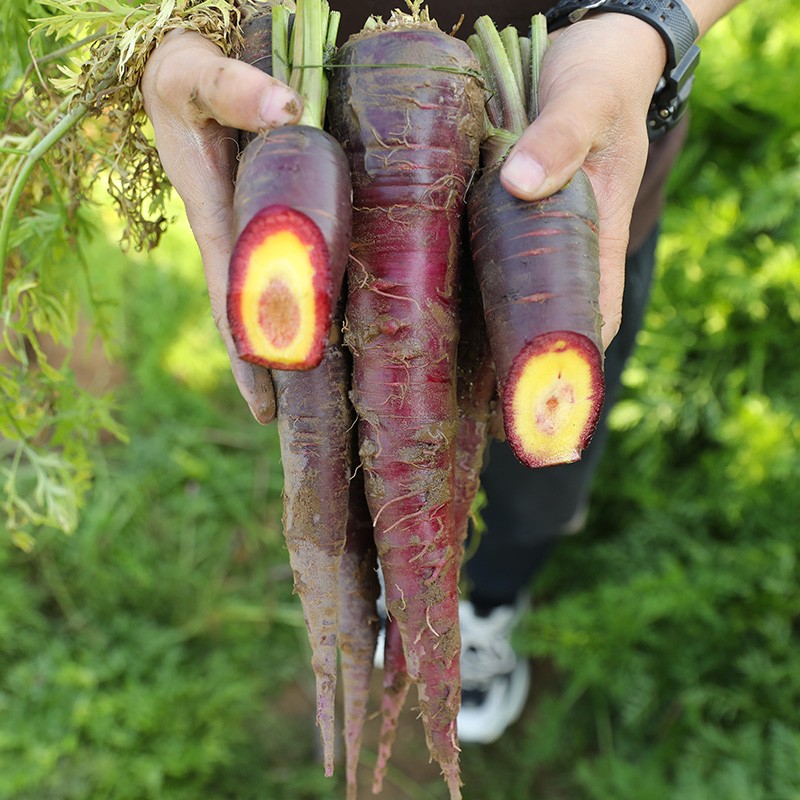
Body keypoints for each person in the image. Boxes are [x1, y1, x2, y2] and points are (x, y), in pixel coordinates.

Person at [141, 0, 743, 746]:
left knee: (539, 459)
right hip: (299, 151)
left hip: (564, 150)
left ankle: (485, 602)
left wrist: (653, 24)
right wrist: (166, 29)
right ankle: (403, 606)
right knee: (343, 426)